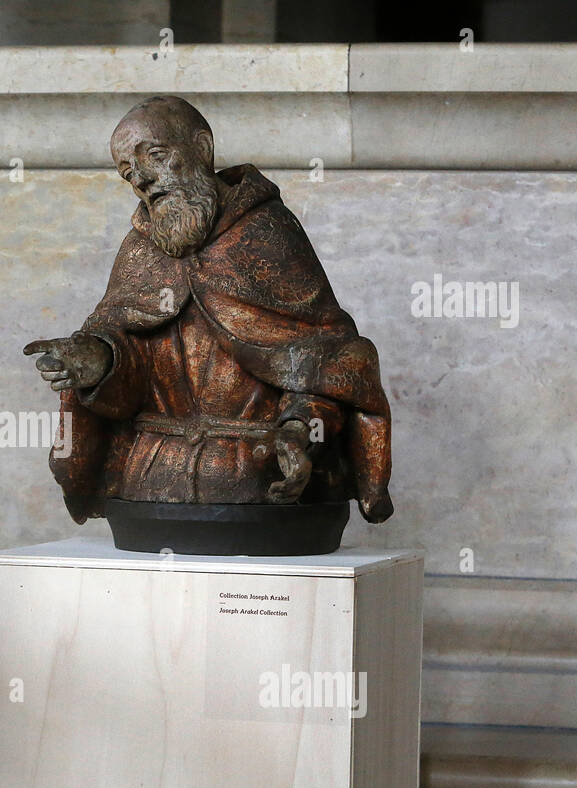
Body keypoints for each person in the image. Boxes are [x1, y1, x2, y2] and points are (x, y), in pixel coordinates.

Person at [24, 96, 393, 525]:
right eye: (128, 173)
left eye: (156, 156)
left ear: (202, 148)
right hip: (149, 482)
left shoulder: (266, 232)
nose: (142, 179)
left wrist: (298, 432)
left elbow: (323, 359)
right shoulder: (141, 251)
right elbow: (133, 371)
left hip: (260, 486)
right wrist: (100, 361)